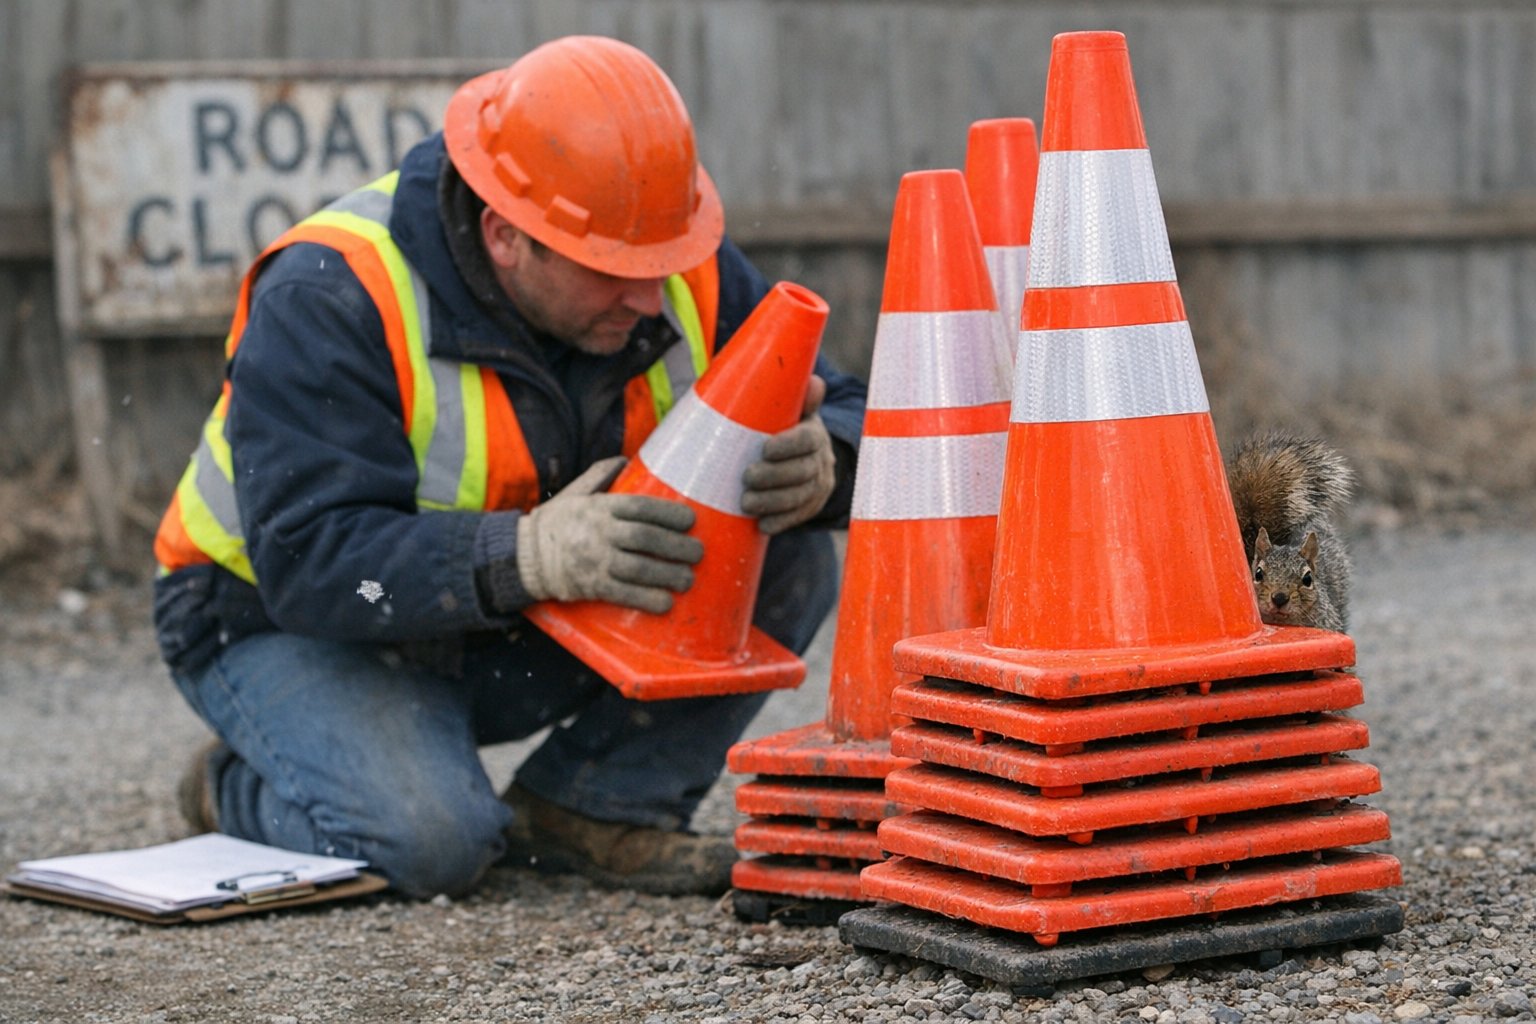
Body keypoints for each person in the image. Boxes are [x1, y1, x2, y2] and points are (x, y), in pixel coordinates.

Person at [151, 35, 865, 899]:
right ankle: (231, 784)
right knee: (433, 844)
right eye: (613, 273)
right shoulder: (331, 294)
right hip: (285, 619)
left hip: (501, 620)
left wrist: (831, 456)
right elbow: (311, 565)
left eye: (661, 262)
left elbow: (852, 404)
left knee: (785, 550)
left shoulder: (661, 256)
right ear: (505, 236)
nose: (651, 297)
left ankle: (591, 809)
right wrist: (525, 555)